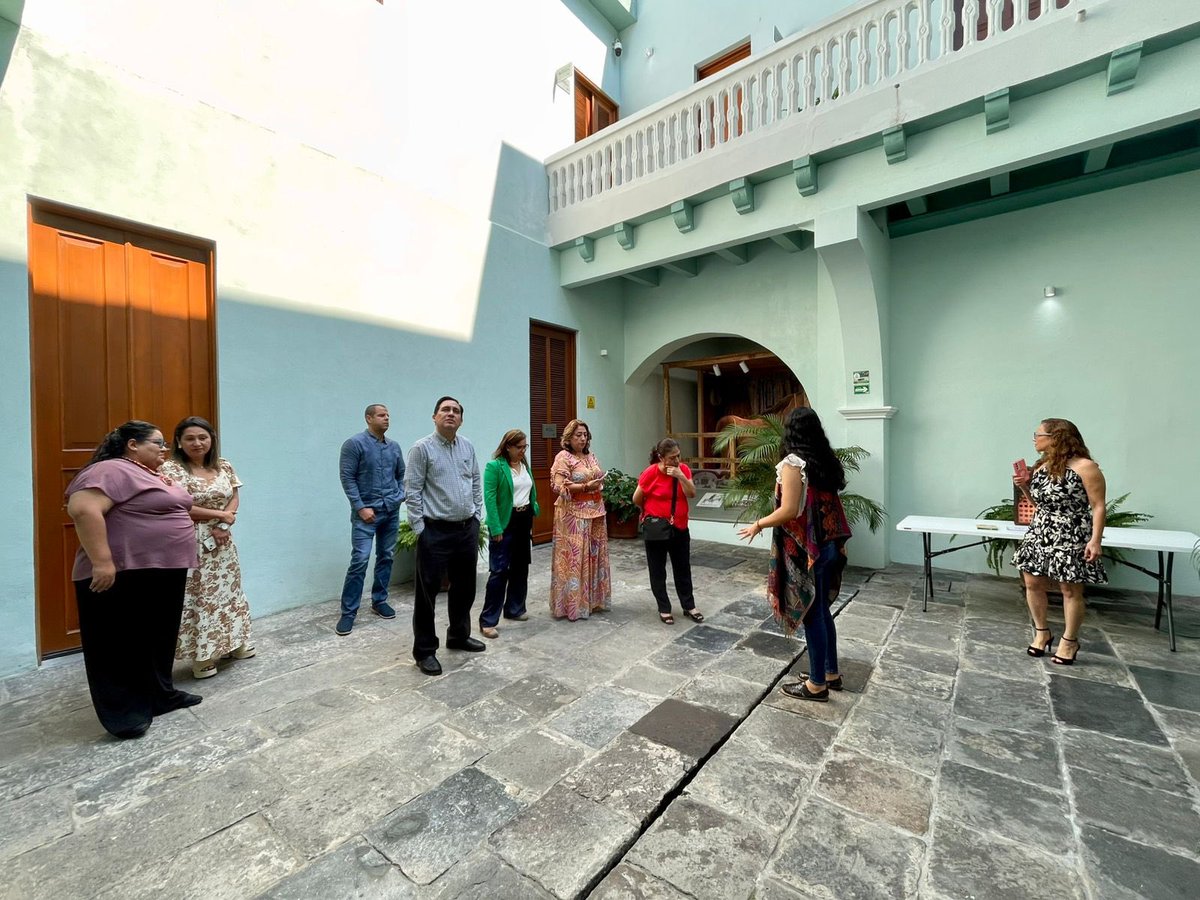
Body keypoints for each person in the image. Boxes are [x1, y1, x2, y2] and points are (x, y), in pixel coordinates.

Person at [65, 420, 202, 738]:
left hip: (163, 569)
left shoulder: (151, 474)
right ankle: (124, 714)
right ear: (132, 445)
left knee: (157, 637)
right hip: (124, 573)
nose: (165, 449)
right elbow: (83, 509)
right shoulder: (110, 469)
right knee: (116, 642)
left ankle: (159, 695)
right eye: (159, 443)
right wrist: (102, 562)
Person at [738, 407, 852, 702]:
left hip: (806, 549)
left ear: (789, 431)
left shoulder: (793, 463)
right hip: (826, 544)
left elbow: (789, 510)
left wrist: (758, 523)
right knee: (823, 611)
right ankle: (830, 672)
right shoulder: (823, 461)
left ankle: (816, 685)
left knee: (812, 613)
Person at [160, 417, 254, 680]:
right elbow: (178, 506)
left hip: (222, 540)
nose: (197, 443)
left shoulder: (223, 465)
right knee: (200, 597)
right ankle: (203, 656)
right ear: (179, 441)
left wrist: (225, 521)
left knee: (229, 592)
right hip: (191, 540)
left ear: (211, 438)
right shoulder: (172, 470)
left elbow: (234, 494)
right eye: (190, 438)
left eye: (202, 437)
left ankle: (234, 643)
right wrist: (218, 516)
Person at [1012, 418, 1107, 665]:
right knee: (1032, 583)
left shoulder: (1086, 467)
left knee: (1069, 588)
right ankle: (1042, 633)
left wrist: (1095, 540)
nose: (1035, 439)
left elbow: (1098, 506)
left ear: (1056, 437)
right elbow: (1038, 504)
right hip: (1041, 530)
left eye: (1038, 434)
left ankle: (1069, 640)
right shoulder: (1043, 466)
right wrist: (1024, 487)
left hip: (1072, 532)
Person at [405, 396, 486, 675]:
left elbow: (476, 481)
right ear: (435, 417)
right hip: (435, 531)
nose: (450, 414)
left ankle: (459, 636)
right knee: (426, 593)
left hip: (466, 529)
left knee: (465, 588)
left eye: (456, 411)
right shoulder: (421, 449)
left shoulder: (468, 446)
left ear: (461, 419)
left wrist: (476, 517)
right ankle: (425, 651)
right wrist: (420, 530)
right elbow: (412, 491)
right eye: (445, 410)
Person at [337, 404, 406, 636]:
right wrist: (360, 508)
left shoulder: (394, 447)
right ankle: (348, 613)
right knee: (360, 560)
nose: (387, 418)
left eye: (388, 415)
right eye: (381, 415)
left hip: (390, 512)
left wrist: (399, 497)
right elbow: (347, 478)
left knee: (386, 556)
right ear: (368, 418)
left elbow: (402, 476)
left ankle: (379, 600)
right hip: (365, 515)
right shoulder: (354, 444)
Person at [633, 438, 702, 625]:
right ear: (661, 458)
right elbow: (637, 498)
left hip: (679, 525)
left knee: (683, 568)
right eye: (672, 457)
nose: (677, 460)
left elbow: (691, 493)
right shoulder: (651, 473)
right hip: (657, 529)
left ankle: (689, 606)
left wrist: (680, 475)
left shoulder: (684, 470)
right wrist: (651, 514)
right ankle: (664, 607)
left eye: (678, 455)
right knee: (657, 569)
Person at [549, 419, 612, 620]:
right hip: (573, 514)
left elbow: (597, 476)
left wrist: (598, 484)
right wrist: (585, 487)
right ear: (569, 437)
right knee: (576, 558)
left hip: (596, 511)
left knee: (593, 556)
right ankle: (573, 605)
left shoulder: (590, 456)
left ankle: (592, 602)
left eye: (585, 434)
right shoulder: (563, 457)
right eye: (578, 435)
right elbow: (558, 485)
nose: (583, 438)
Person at [479, 429, 539, 639]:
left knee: (521, 567)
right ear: (507, 447)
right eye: (519, 447)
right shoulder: (494, 467)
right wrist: (495, 527)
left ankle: (515, 608)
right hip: (506, 521)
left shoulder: (524, 465)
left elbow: (530, 489)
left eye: (525, 447)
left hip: (524, 521)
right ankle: (488, 620)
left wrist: (535, 505)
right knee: (499, 571)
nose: (523, 451)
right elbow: (490, 498)